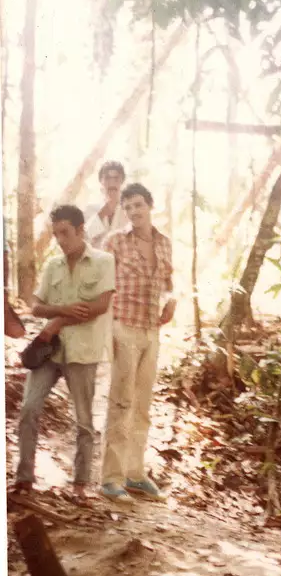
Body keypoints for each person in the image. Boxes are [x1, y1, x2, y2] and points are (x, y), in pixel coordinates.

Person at [14, 205, 115, 494]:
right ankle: (24, 479)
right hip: (50, 351)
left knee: (83, 420)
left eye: (65, 233)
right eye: (56, 233)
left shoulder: (103, 261)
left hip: (82, 352)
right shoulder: (53, 266)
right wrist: (62, 310)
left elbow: (100, 306)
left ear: (81, 230)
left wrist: (57, 321)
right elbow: (36, 306)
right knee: (29, 408)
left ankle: (80, 484)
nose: (60, 240)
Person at [100, 182, 176, 503]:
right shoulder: (115, 241)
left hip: (150, 330)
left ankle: (134, 474)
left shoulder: (164, 243)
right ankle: (111, 479)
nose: (133, 211)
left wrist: (172, 301)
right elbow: (101, 284)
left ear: (150, 205)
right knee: (121, 402)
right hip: (123, 326)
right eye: (128, 207)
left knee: (142, 404)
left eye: (138, 205)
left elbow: (169, 281)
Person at [84, 161, 128, 249]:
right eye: (107, 178)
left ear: (122, 181)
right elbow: (84, 239)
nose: (112, 183)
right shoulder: (90, 209)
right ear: (101, 181)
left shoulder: (128, 209)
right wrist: (101, 214)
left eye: (116, 178)